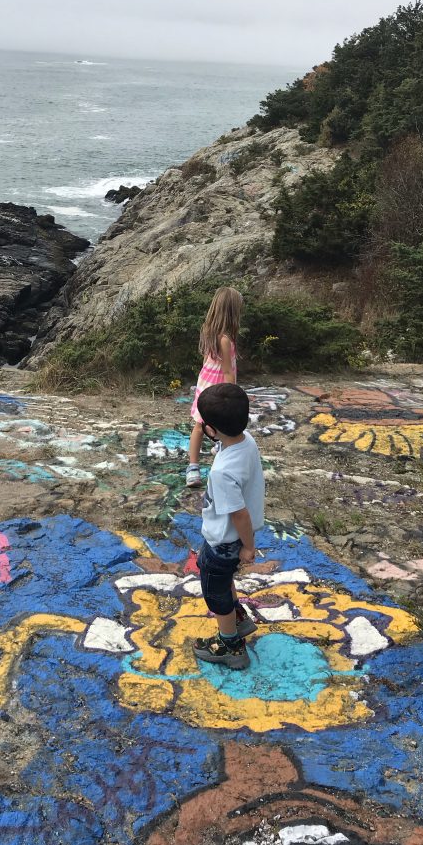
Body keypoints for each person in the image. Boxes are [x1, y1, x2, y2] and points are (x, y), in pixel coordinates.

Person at [192, 383, 265, 670]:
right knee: (220, 578)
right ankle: (238, 618)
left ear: (211, 430)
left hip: (225, 541)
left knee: (215, 592)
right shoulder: (246, 441)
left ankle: (231, 645)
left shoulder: (223, 473)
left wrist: (248, 547)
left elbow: (239, 515)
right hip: (228, 539)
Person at [185, 286, 242, 488]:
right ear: (232, 312)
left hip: (206, 382)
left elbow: (205, 362)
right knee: (209, 424)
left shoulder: (210, 331)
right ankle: (193, 466)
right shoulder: (225, 339)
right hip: (218, 388)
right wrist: (233, 396)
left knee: (201, 425)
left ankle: (195, 464)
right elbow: (227, 371)